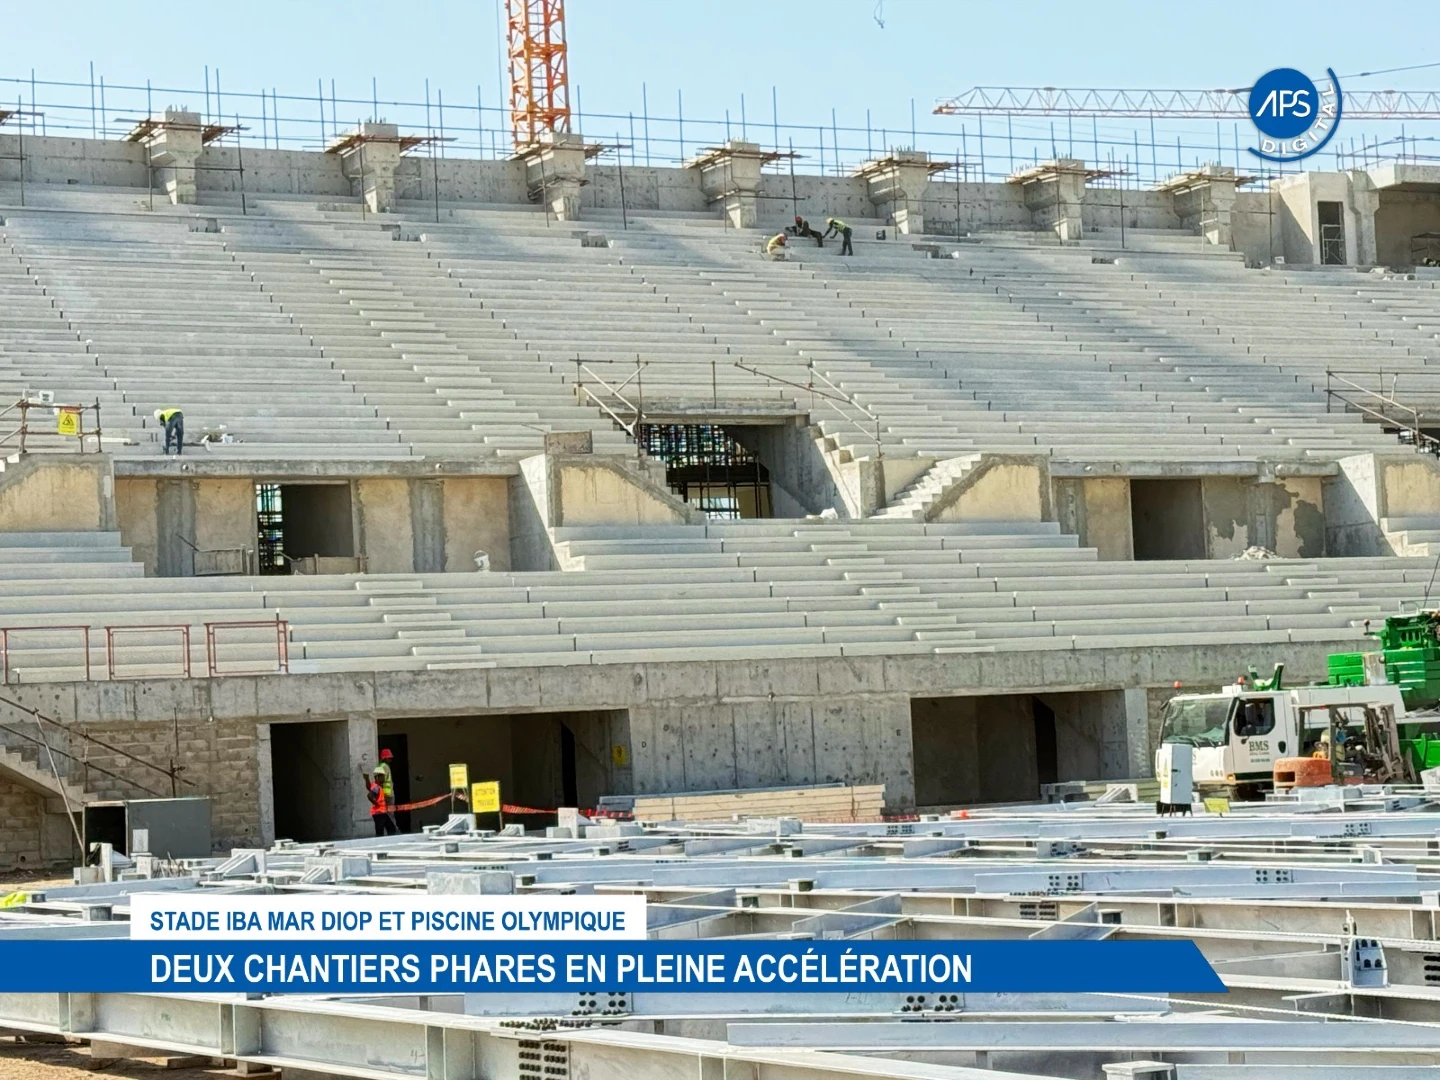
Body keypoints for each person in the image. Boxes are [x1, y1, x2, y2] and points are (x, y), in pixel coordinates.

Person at [362, 765, 398, 836]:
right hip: (379, 813)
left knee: (390, 829)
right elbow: (369, 796)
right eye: (382, 776)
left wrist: (367, 779)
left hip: (381, 813)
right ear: (377, 777)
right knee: (383, 831)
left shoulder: (377, 786)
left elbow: (369, 787)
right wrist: (377, 804)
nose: (384, 778)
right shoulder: (376, 787)